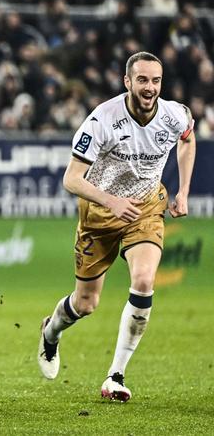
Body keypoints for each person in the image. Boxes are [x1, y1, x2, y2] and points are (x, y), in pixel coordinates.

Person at [37, 51, 196, 402]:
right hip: (100, 212)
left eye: (155, 80)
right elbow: (71, 179)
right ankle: (50, 332)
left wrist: (183, 191)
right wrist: (112, 202)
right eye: (142, 80)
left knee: (143, 281)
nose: (150, 87)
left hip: (146, 208)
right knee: (86, 303)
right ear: (127, 82)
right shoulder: (101, 121)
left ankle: (116, 375)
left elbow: (187, 138)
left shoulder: (174, 114)